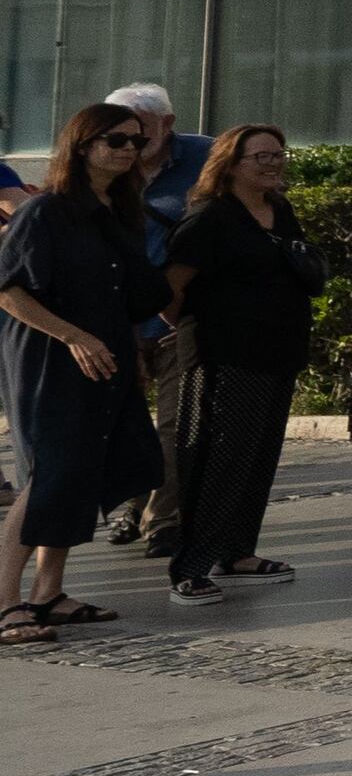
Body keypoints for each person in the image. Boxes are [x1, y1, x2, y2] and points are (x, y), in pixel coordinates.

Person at [4, 108, 168, 636]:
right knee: (50, 473)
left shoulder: (118, 212)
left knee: (84, 471)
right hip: (52, 358)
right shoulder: (45, 212)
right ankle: (6, 601)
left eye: (137, 142)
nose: (128, 149)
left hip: (107, 358)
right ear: (81, 145)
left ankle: (48, 593)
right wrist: (72, 335)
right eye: (114, 140)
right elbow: (9, 291)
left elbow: (127, 296)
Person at [156, 123, 321, 601]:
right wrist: (196, 331)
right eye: (261, 157)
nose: (273, 164)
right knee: (216, 461)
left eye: (278, 155)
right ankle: (190, 566)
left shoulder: (278, 210)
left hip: (277, 354)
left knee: (257, 458)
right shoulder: (210, 219)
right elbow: (172, 289)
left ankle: (237, 552)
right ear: (230, 164)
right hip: (224, 358)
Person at [116, 84, 200, 557]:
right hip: (116, 318)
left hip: (176, 316)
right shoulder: (104, 162)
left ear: (167, 124)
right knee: (127, 421)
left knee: (172, 423)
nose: (127, 139)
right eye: (118, 130)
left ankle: (161, 520)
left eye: (138, 129)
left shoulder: (205, 157)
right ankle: (133, 501)